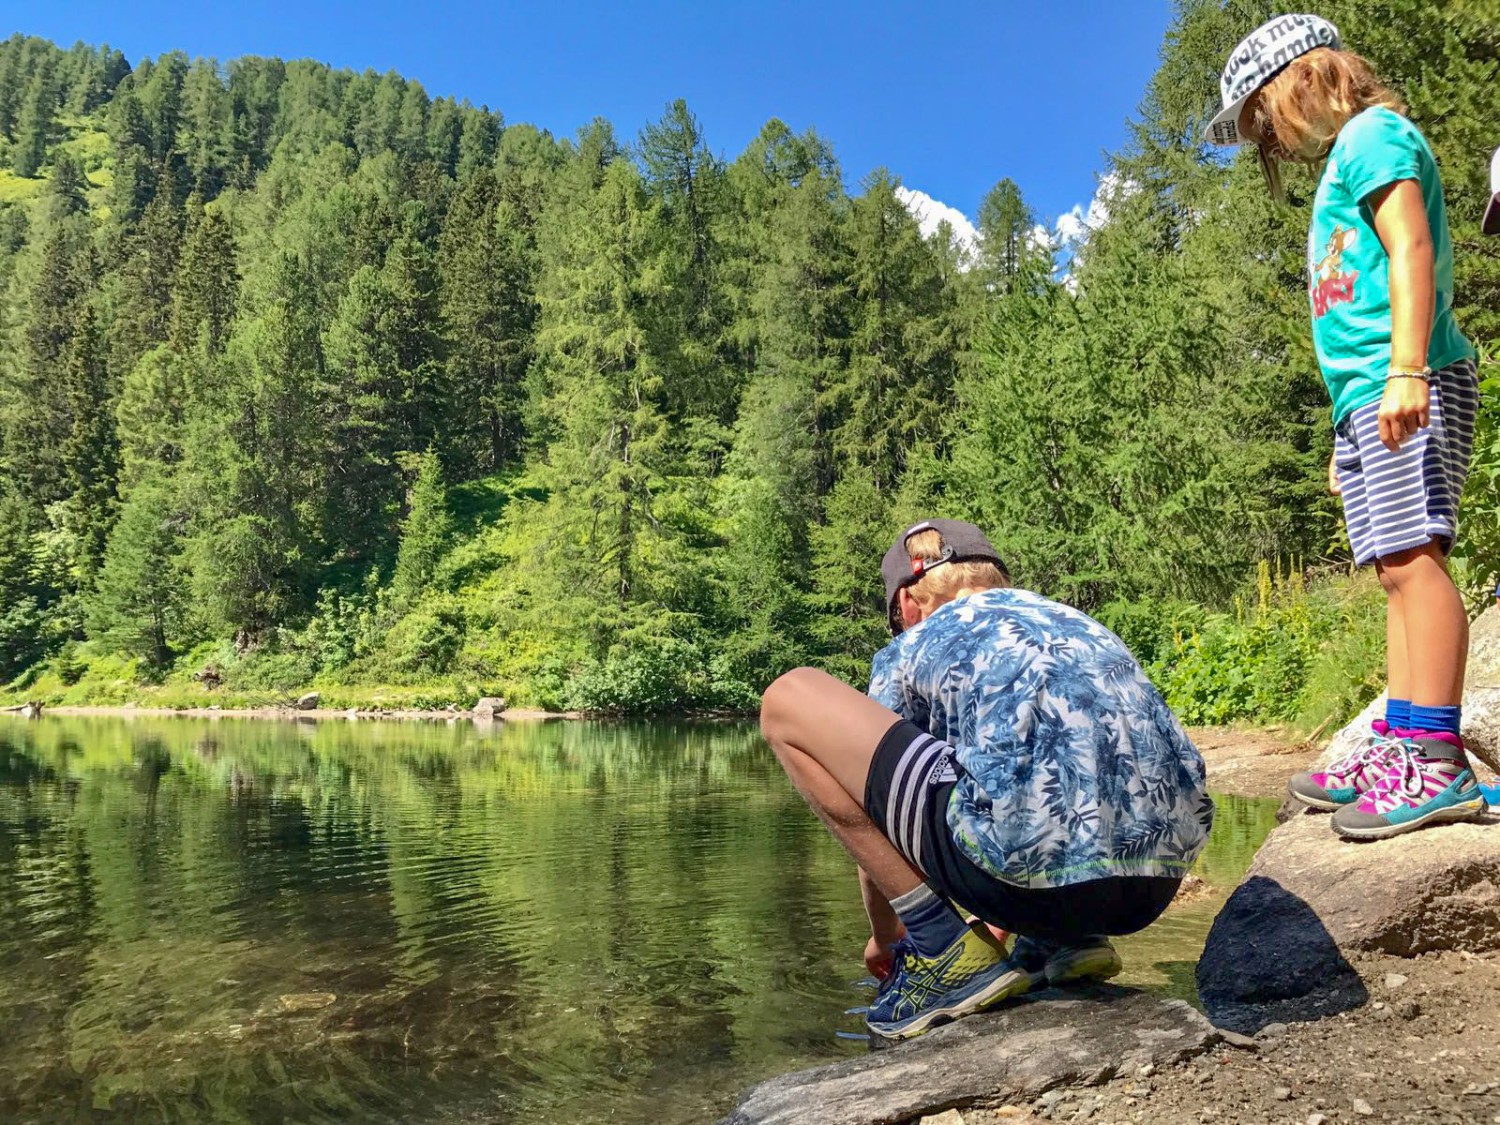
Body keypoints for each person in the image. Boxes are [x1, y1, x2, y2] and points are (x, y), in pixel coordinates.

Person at [759, 519, 1213, 1041]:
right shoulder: (1075, 622)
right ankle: (1065, 941)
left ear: (908, 603)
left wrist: (887, 938)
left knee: (787, 698)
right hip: (1151, 888)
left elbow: (875, 805)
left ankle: (942, 953)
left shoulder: (918, 642)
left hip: (1029, 883)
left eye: (896, 619)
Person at [1206, 14, 1486, 840]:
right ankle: (1399, 744)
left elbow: (1409, 250)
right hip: (1366, 397)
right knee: (1393, 571)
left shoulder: (1375, 136)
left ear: (1308, 78)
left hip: (1410, 378)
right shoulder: (1346, 159)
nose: (1271, 141)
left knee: (1414, 557)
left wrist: (1406, 368)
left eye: (1265, 118)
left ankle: (1434, 760)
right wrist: (1344, 432)